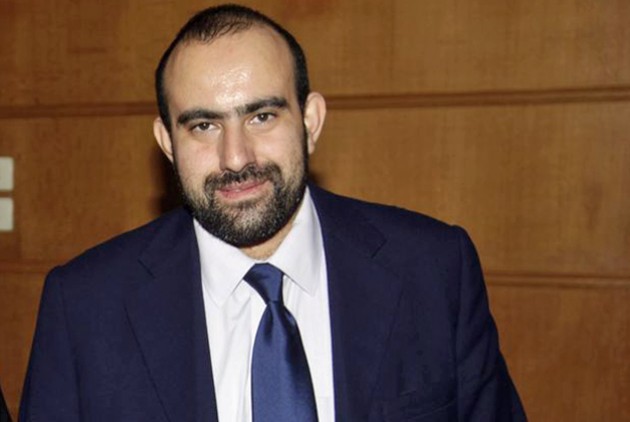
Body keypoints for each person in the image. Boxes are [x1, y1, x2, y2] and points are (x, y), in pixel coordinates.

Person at [19, 4, 526, 421]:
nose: (236, 158)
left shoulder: (434, 270)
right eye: (203, 126)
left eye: (262, 116)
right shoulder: (85, 307)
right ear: (167, 143)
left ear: (310, 122)